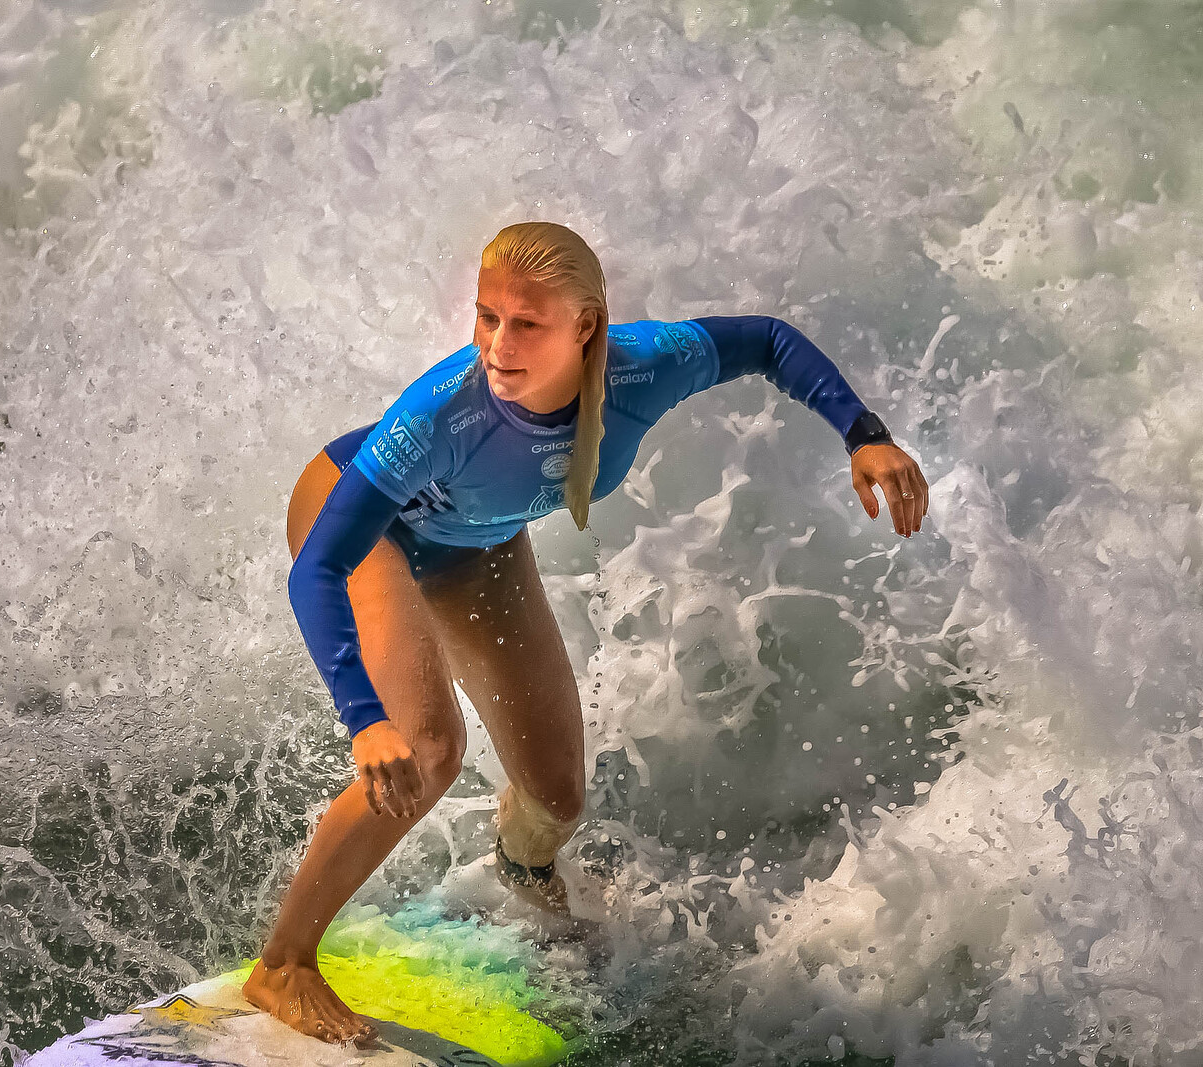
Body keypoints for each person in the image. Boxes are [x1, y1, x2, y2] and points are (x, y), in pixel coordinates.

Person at [242, 221, 929, 1044]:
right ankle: (284, 964)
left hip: (474, 543)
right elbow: (317, 567)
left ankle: (520, 869)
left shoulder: (647, 365)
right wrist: (365, 718)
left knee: (556, 796)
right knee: (427, 750)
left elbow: (768, 342)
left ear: (586, 326)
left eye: (526, 323)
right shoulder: (441, 413)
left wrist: (865, 434)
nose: (497, 346)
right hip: (364, 527)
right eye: (487, 317)